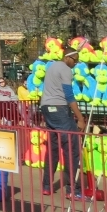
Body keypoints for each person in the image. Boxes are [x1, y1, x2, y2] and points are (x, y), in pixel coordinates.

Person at [40, 48, 89, 199]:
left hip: (46, 107)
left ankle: (46, 186)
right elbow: (69, 95)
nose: (76, 63)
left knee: (53, 148)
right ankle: (73, 190)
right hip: (59, 109)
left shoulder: (52, 66)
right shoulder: (66, 70)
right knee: (72, 149)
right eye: (75, 60)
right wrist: (80, 118)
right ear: (68, 58)